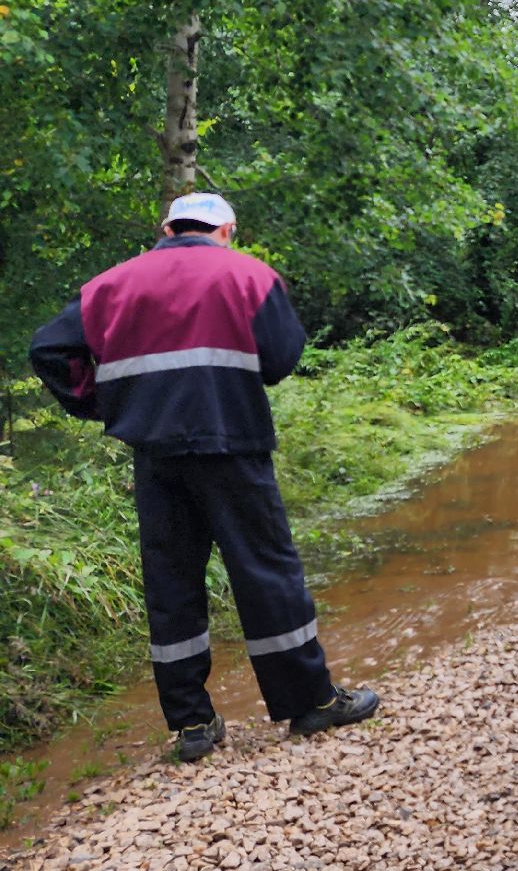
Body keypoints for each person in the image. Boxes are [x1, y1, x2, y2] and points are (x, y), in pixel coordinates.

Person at [29, 192, 379, 761]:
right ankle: (308, 704)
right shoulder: (250, 275)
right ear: (227, 230)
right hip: (232, 443)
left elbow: (49, 348)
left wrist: (102, 403)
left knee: (171, 581)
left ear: (166, 228)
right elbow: (281, 360)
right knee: (266, 569)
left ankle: (193, 726)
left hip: (155, 453)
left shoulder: (110, 285)